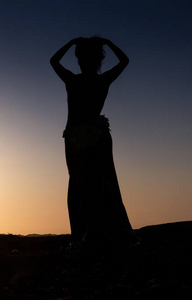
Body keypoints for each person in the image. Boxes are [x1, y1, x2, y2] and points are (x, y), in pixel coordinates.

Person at [50, 37, 135, 250]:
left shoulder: (73, 80)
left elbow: (53, 61)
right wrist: (108, 42)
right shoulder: (102, 80)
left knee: (80, 185)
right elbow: (124, 61)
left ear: (80, 61)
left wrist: (70, 43)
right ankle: (104, 235)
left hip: (77, 137)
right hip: (96, 135)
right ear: (99, 61)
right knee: (104, 183)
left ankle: (83, 236)